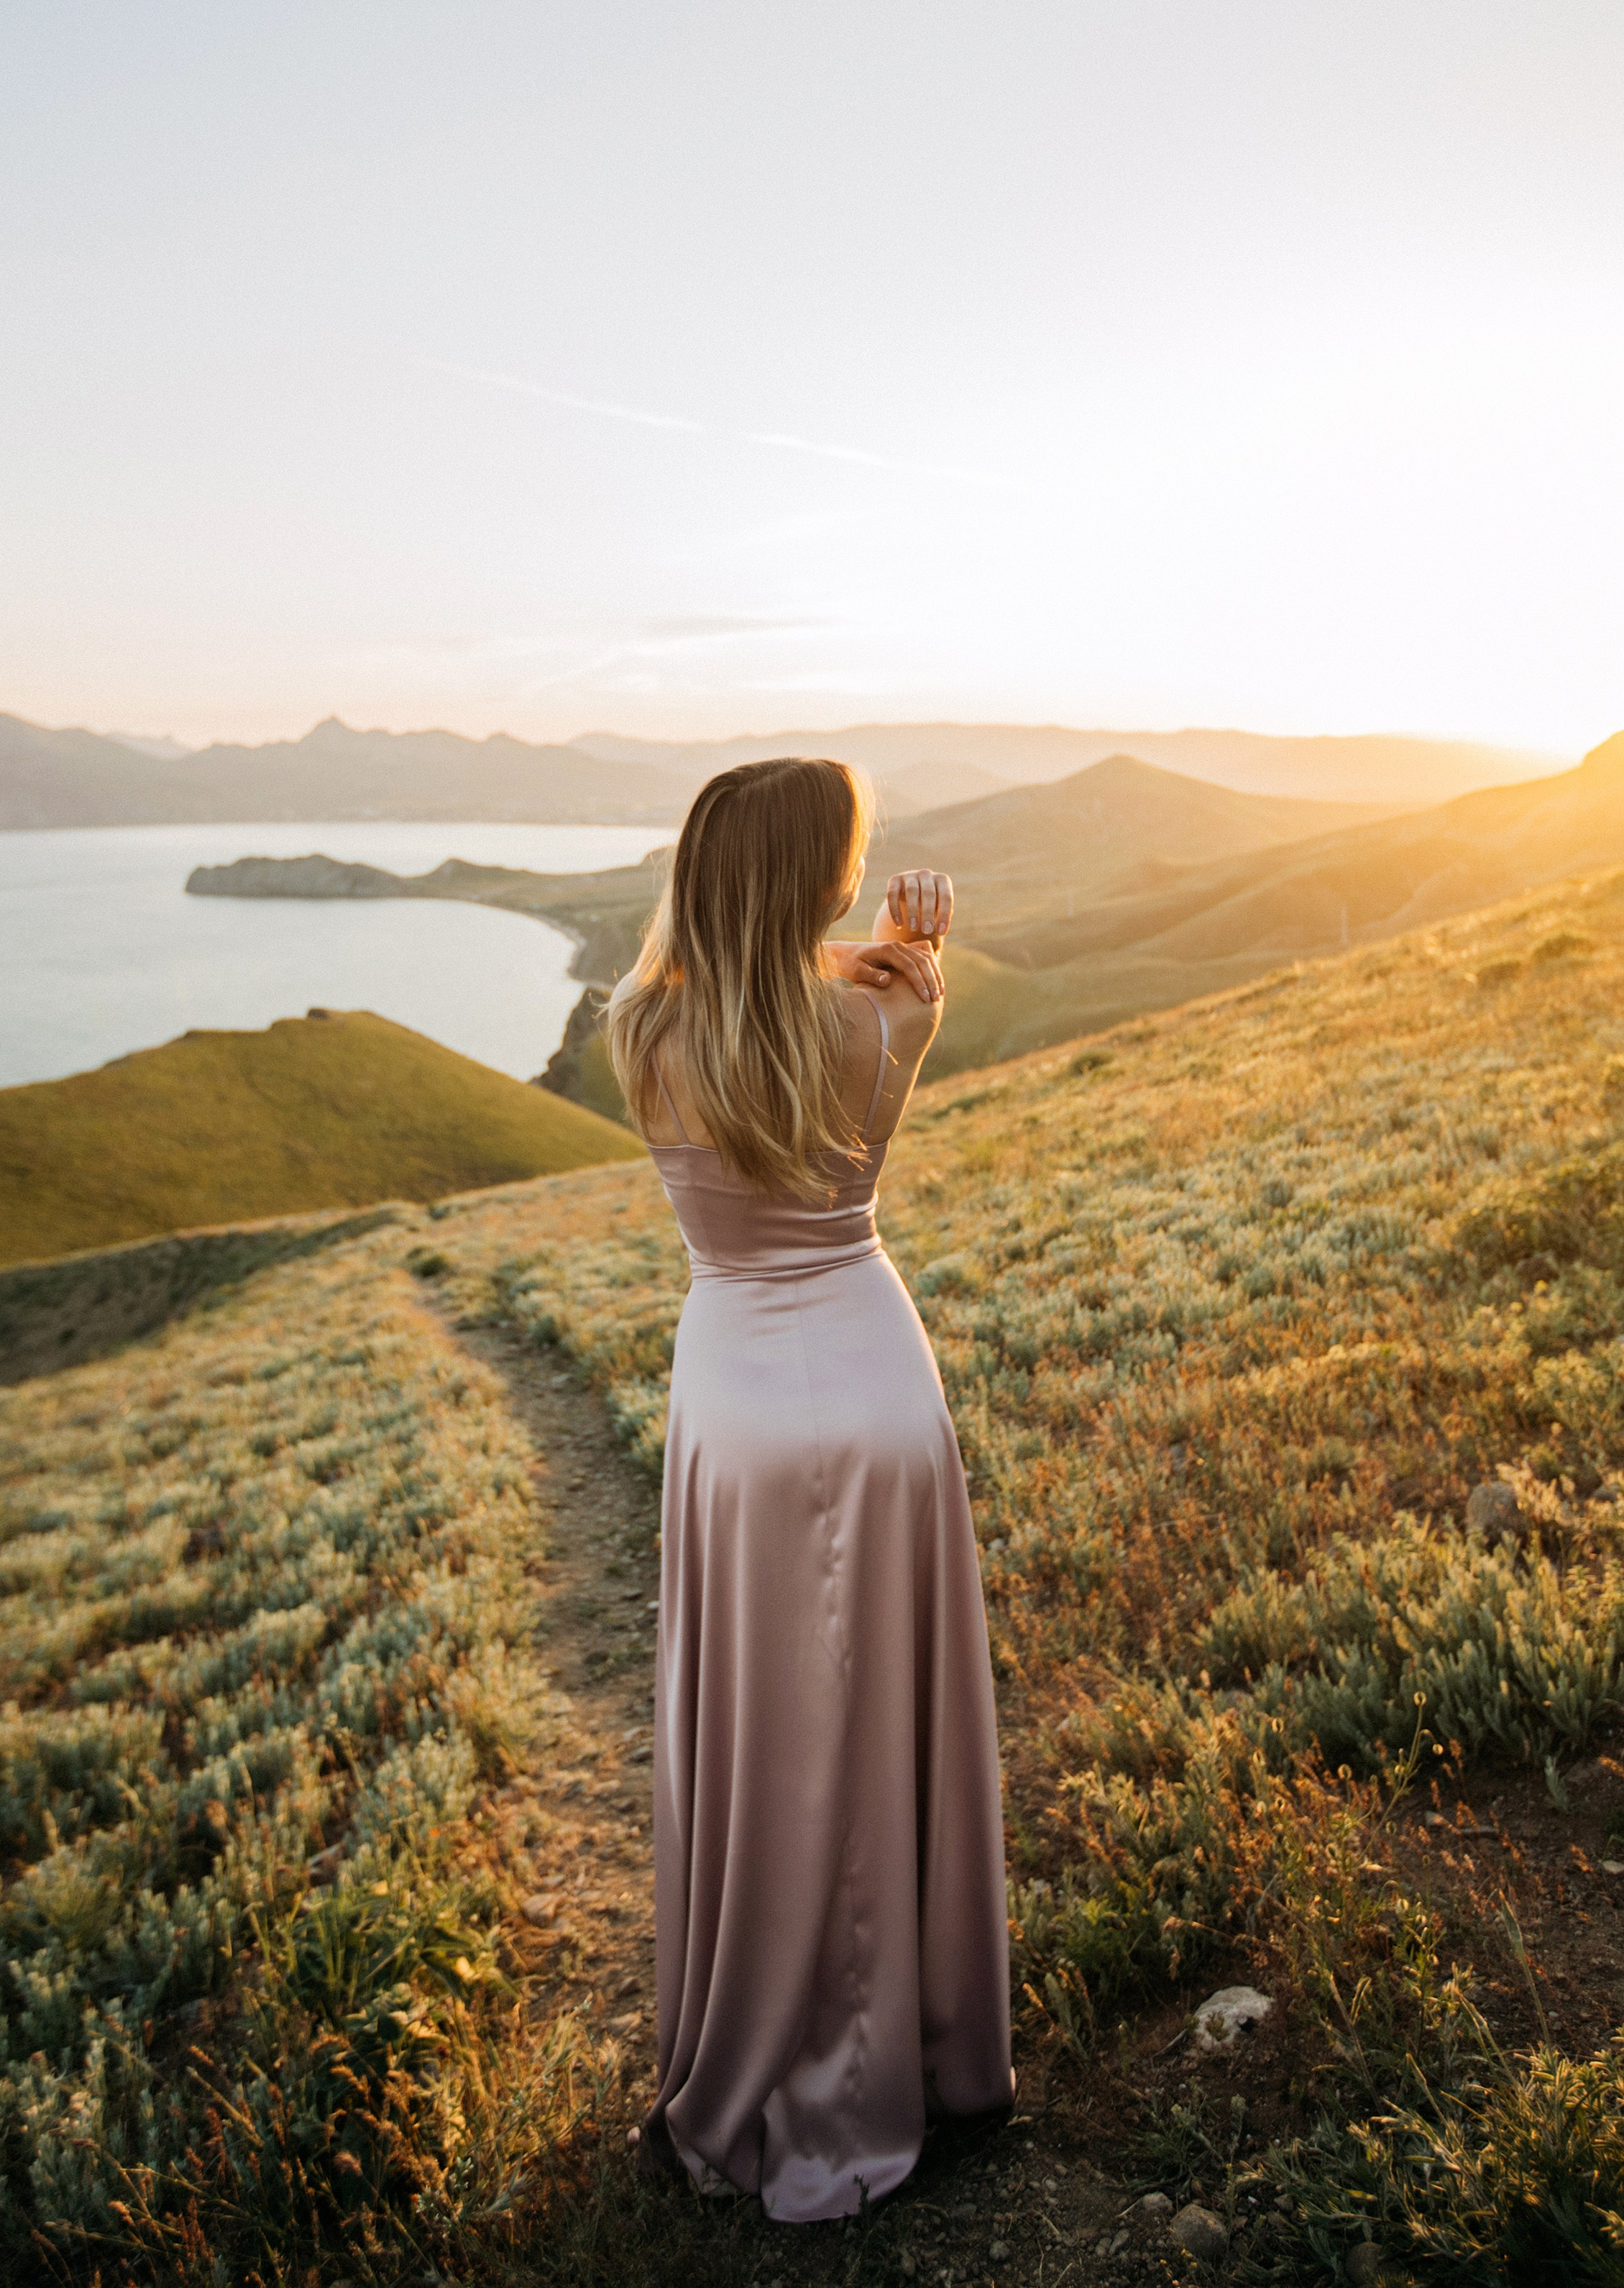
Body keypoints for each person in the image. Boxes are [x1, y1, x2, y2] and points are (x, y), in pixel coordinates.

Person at [605, 756, 1013, 2223]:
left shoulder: (636, 1026)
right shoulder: (875, 1013)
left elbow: (730, 988)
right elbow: (869, 1066)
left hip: (736, 1401)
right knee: (882, 1708)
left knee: (762, 1713)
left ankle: (757, 2022)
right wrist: (917, 961)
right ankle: (915, 2034)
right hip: (872, 1378)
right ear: (818, 878)